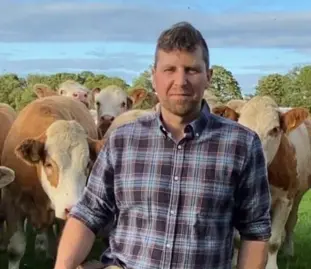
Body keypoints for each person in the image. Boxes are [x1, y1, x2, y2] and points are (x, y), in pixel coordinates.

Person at [53, 21, 272, 269]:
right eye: (170, 70)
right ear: (154, 77)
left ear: (208, 77)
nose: (180, 81)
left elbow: (254, 230)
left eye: (192, 70)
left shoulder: (241, 145)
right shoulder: (122, 141)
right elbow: (88, 213)